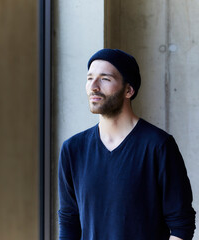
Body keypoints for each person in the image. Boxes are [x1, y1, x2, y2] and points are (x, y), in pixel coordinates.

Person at [57, 49, 196, 240]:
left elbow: (181, 225)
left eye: (105, 78)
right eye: (90, 78)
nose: (94, 86)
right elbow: (69, 222)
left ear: (129, 90)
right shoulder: (73, 149)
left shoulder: (159, 146)